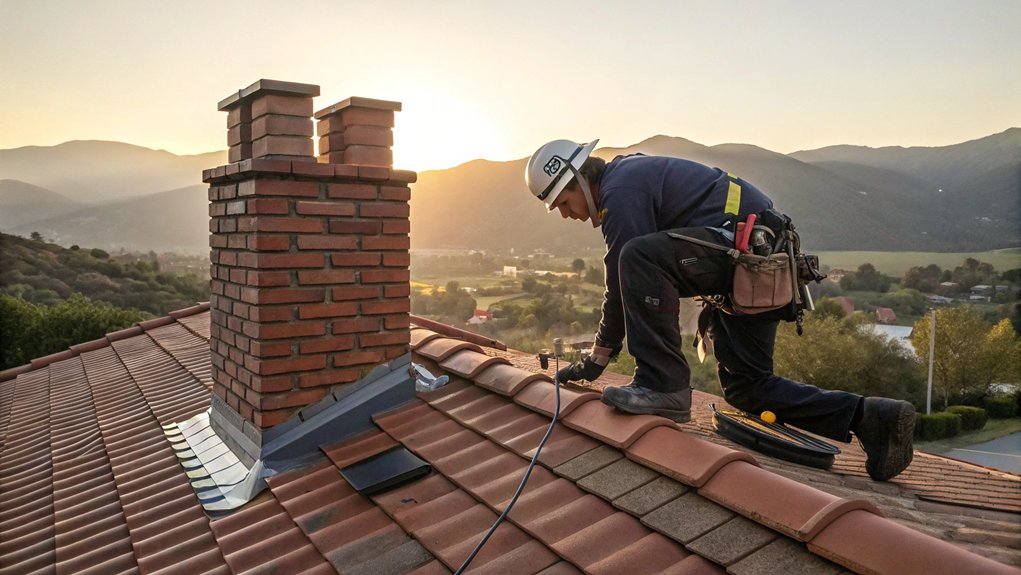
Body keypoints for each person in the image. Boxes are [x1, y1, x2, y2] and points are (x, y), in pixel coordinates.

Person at [524, 139, 916, 481]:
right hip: (758, 260)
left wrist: (598, 357)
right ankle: (870, 416)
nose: (566, 214)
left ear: (579, 180)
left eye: (564, 202)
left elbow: (623, 276)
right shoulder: (630, 175)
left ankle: (662, 384)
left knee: (637, 256)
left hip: (746, 256)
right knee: (748, 388)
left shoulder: (621, 188)